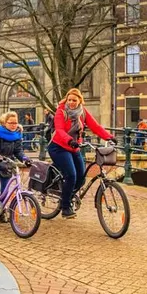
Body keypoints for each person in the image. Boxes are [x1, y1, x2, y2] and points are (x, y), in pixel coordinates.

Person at [49, 88, 114, 219]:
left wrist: (109, 137)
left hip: (74, 147)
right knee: (71, 175)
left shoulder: (82, 112)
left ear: (80, 101)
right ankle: (65, 207)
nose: (71, 102)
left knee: (82, 177)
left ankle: (67, 195)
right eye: (69, 100)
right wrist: (69, 140)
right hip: (59, 147)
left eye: (74, 100)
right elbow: (60, 130)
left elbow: (95, 126)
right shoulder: (61, 111)